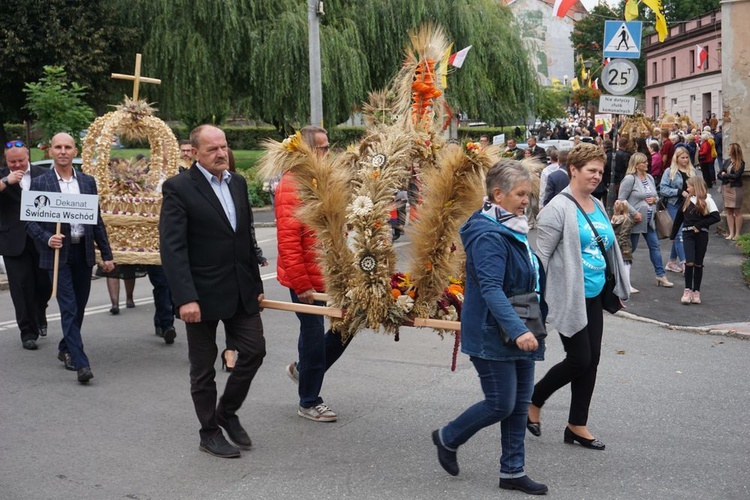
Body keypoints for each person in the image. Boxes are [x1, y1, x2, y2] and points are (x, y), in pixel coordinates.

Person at [432, 159, 548, 495]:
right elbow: (490, 288)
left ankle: (513, 471)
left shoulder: (512, 225)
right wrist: (518, 330)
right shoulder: (488, 234)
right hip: (493, 330)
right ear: (498, 194)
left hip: (520, 324)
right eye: (520, 194)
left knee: (519, 402)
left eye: (528, 194)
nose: (526, 200)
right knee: (500, 403)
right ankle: (448, 436)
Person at [160, 125, 266, 458]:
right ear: (194, 152)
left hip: (240, 290)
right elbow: (173, 248)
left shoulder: (237, 182)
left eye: (223, 147)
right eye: (212, 149)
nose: (221, 153)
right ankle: (209, 432)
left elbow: (245, 239)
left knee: (254, 351)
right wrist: (184, 298)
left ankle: (227, 411)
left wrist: (257, 286)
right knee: (203, 369)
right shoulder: (178, 188)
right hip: (200, 296)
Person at [528, 143, 629, 452]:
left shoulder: (597, 205)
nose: (597, 176)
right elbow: (539, 257)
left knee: (592, 360)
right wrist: (537, 299)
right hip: (569, 294)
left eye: (600, 171)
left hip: (595, 293)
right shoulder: (558, 208)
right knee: (579, 358)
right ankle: (534, 400)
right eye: (591, 170)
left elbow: (608, 246)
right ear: (573, 169)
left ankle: (576, 424)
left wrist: (617, 285)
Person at [275, 125, 351, 422]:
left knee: (348, 323)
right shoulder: (292, 184)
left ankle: (303, 370)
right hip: (305, 277)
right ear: (306, 150)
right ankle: (309, 400)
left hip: (329, 274)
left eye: (328, 146)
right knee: (312, 333)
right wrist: (301, 283)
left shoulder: (319, 179)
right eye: (322, 147)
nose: (328, 152)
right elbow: (289, 241)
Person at [26, 133, 115, 383]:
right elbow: (29, 221)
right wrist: (46, 238)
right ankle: (81, 362)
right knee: (68, 307)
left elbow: (97, 220)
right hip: (56, 254)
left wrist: (106, 254)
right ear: (50, 152)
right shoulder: (41, 182)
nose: (63, 151)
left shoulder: (87, 182)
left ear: (75, 151)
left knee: (80, 306)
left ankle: (66, 348)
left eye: (67, 147)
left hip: (83, 252)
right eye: (58, 147)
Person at [0, 140, 52, 350]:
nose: (17, 165)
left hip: (41, 238)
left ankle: (40, 311)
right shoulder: (3, 176)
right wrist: (6, 179)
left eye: (20, 160)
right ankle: (27, 332)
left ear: (28, 157)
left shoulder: (43, 174)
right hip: (13, 240)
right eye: (12, 162)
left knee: (44, 284)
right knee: (21, 287)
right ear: (6, 160)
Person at [221, 147, 269, 371]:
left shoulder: (237, 184)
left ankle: (230, 351)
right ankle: (228, 352)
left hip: (239, 269)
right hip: (214, 272)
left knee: (239, 318)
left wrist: (256, 255)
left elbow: (247, 228)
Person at [618, 152, 673, 288]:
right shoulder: (630, 179)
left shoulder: (649, 177)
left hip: (650, 220)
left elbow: (656, 195)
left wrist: (655, 200)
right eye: (644, 162)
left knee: (655, 247)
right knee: (630, 249)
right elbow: (621, 200)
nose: (647, 164)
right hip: (635, 221)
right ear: (636, 165)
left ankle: (661, 275)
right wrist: (634, 213)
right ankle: (623, 279)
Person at [670, 176, 721, 304]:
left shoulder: (707, 200)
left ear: (695, 187)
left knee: (698, 263)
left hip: (701, 235)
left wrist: (700, 225)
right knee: (689, 262)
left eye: (689, 186)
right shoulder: (686, 201)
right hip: (687, 235)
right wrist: (673, 235)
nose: (687, 189)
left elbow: (716, 217)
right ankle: (687, 290)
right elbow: (678, 219)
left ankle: (696, 291)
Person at [660, 147, 697, 274]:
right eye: (682, 158)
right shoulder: (670, 171)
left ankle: (671, 262)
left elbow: (698, 186)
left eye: (687, 157)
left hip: (689, 206)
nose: (685, 160)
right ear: (676, 158)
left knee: (681, 233)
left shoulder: (692, 171)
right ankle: (684, 262)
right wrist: (678, 192)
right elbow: (663, 189)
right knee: (680, 233)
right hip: (674, 204)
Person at [717, 143, 745, 240]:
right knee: (729, 210)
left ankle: (737, 234)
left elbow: (737, 176)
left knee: (736, 211)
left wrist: (725, 175)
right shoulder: (727, 162)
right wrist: (727, 176)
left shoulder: (741, 163)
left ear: (733, 150)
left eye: (729, 149)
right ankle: (731, 233)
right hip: (726, 188)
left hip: (736, 189)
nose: (728, 150)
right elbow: (719, 175)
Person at [611, 200, 637, 293]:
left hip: (614, 243)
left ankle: (619, 284)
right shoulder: (627, 220)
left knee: (616, 265)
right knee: (627, 266)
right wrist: (625, 248)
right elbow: (624, 235)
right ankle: (627, 286)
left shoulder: (613, 218)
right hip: (624, 246)